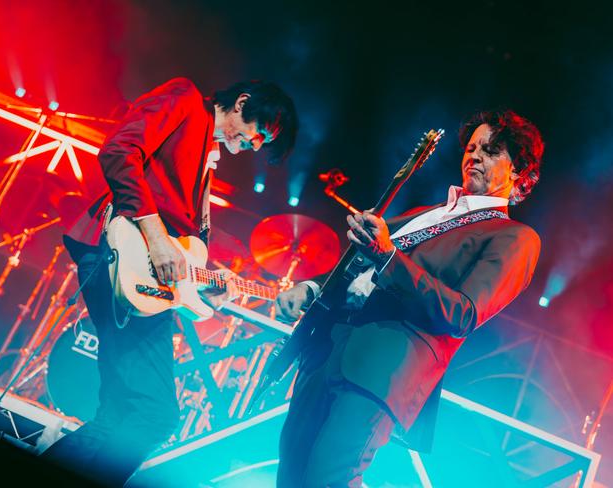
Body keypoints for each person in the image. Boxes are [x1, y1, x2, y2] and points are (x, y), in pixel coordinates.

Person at [41, 77, 298, 486]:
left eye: (260, 145)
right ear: (241, 103)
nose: (253, 146)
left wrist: (203, 278)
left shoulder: (207, 153)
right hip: (119, 252)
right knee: (154, 414)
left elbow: (184, 239)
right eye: (257, 134)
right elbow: (118, 150)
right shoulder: (185, 98)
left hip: (146, 276)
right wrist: (157, 237)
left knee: (120, 413)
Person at [274, 110, 543, 487]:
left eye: (491, 150)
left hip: (383, 368)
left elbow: (463, 314)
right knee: (291, 473)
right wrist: (313, 287)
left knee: (329, 477)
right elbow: (360, 266)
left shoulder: (514, 237)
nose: (475, 156)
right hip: (327, 347)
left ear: (519, 170)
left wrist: (387, 255)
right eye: (471, 147)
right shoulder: (425, 214)